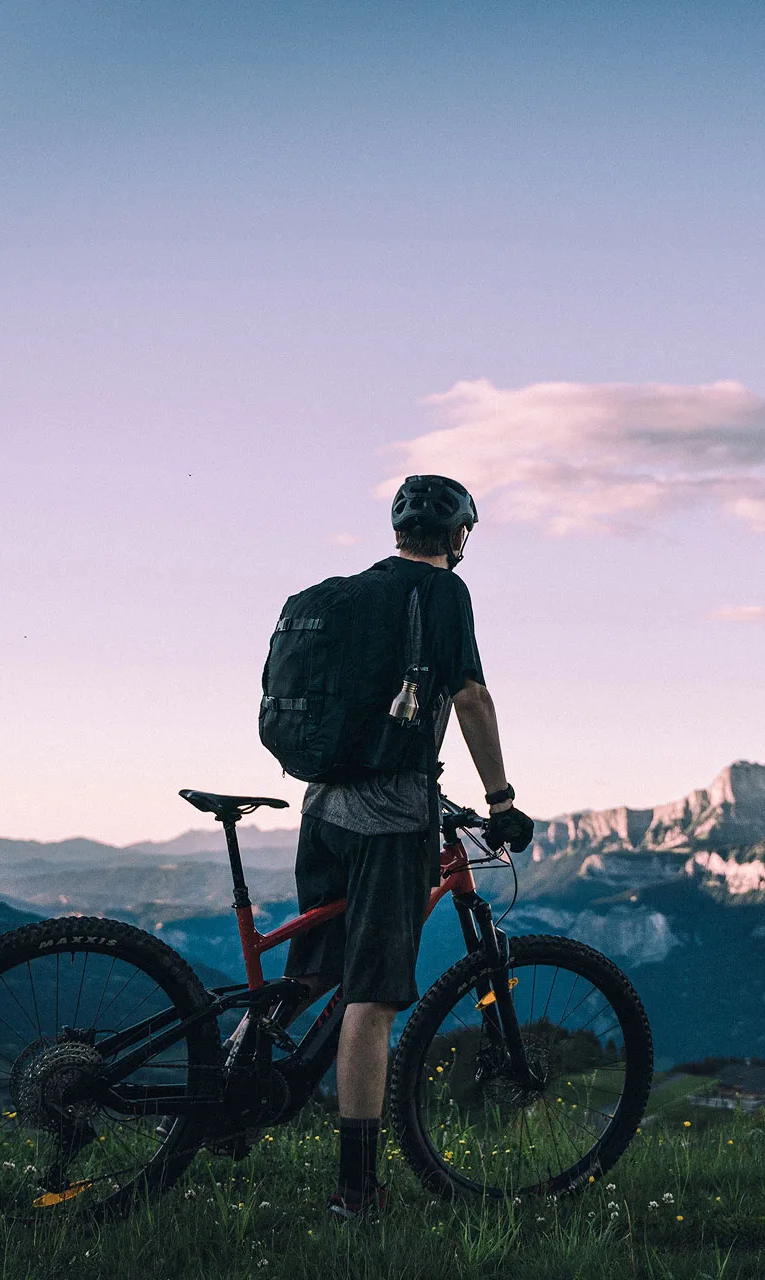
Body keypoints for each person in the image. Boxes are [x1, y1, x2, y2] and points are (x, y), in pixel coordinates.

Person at [279, 473, 535, 1222]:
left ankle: (233, 1080)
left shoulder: (351, 593)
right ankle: (357, 1193)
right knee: (373, 996)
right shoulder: (445, 594)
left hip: (323, 807)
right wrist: (501, 801)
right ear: (458, 537)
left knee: (313, 972)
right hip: (390, 818)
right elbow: (471, 698)